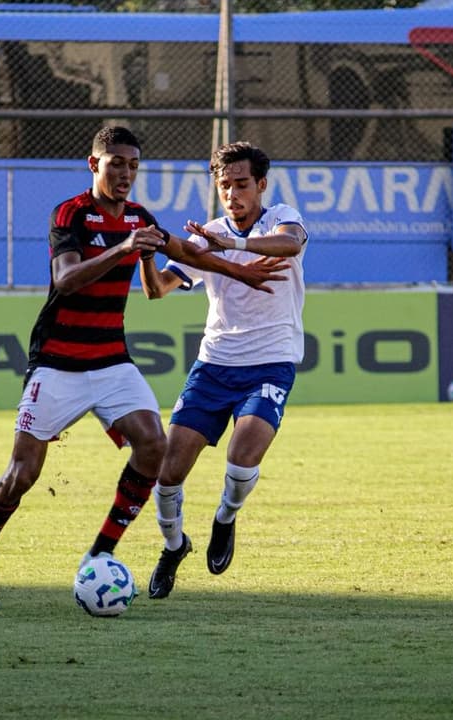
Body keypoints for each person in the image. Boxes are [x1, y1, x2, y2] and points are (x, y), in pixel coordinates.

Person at [0, 126, 287, 611]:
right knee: (22, 474)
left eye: (133, 165)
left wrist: (240, 271)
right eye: (116, 163)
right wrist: (122, 249)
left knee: (154, 445)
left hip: (111, 360)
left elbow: (187, 253)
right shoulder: (72, 213)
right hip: (57, 360)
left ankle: (100, 553)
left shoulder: (139, 217)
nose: (125, 173)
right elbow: (65, 279)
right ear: (93, 164)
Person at [139, 141, 307, 599]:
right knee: (168, 473)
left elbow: (291, 244)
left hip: (270, 363)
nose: (233, 194)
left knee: (242, 454)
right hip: (214, 367)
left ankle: (225, 517)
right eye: (224, 185)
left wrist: (231, 244)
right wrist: (146, 255)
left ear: (261, 185)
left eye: (241, 184)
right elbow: (157, 290)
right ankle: (173, 547)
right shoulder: (207, 234)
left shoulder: (281, 218)